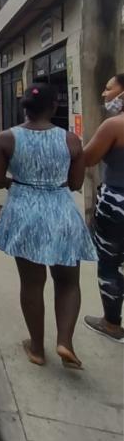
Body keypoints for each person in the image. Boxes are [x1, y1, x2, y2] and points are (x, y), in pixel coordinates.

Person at [0, 82, 97, 369]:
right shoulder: (71, 140)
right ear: (54, 107)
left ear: (24, 107)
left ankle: (37, 349)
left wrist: (20, 183)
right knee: (68, 282)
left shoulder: (5, 139)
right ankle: (65, 342)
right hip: (61, 215)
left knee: (32, 284)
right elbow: (75, 183)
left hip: (24, 214)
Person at [82, 73, 124, 343]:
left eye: (109, 89)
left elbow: (88, 158)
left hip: (117, 203)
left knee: (109, 263)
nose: (104, 94)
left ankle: (111, 324)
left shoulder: (114, 126)